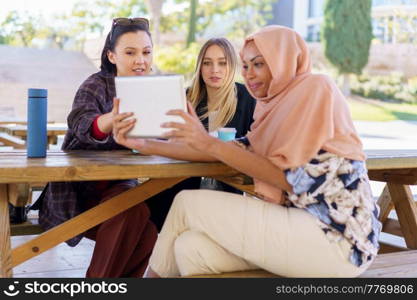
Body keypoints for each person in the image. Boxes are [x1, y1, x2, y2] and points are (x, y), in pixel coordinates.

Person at [113, 25, 382, 278]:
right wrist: (143, 144)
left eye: (259, 64)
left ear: (283, 61)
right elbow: (230, 150)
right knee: (190, 247)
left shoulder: (316, 89)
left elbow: (291, 178)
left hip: (338, 238)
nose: (249, 74)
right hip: (301, 227)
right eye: (246, 65)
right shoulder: (272, 109)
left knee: (187, 203)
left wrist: (208, 142)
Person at [33, 17, 158, 278]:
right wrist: (110, 120)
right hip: (79, 190)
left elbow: (159, 139)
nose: (141, 61)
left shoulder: (152, 90)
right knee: (132, 213)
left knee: (146, 229)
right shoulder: (96, 84)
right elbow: (81, 122)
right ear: (112, 55)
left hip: (121, 185)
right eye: (130, 52)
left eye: (146, 52)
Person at [146, 37, 256, 231]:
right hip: (181, 186)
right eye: (207, 63)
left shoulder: (247, 98)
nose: (215, 70)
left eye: (222, 63)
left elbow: (255, 144)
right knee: (145, 212)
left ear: (232, 65)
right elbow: (166, 139)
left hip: (227, 194)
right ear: (200, 66)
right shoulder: (186, 98)